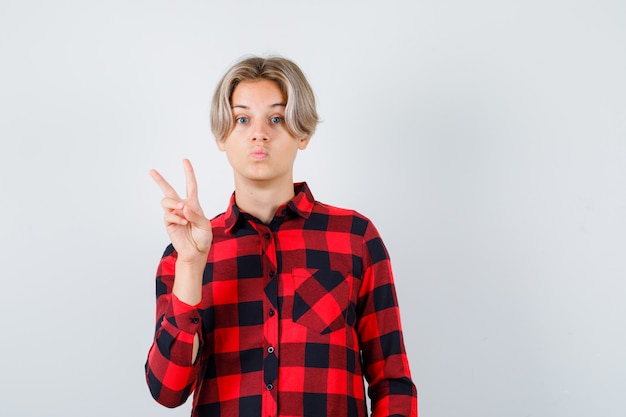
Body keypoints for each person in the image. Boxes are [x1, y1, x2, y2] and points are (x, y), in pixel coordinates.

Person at [145, 55, 418, 417]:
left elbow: (391, 381)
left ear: (302, 133)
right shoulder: (182, 255)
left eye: (276, 118)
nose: (259, 133)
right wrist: (192, 265)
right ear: (222, 136)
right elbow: (167, 391)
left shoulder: (355, 238)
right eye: (242, 119)